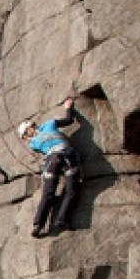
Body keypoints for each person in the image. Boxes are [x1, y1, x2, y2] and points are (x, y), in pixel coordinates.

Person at [18, 97, 80, 237]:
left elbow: (43, 149)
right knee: (71, 190)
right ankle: (62, 220)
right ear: (32, 125)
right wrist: (68, 106)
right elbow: (69, 120)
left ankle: (37, 225)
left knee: (47, 195)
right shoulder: (49, 124)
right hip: (67, 156)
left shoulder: (33, 144)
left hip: (51, 163)